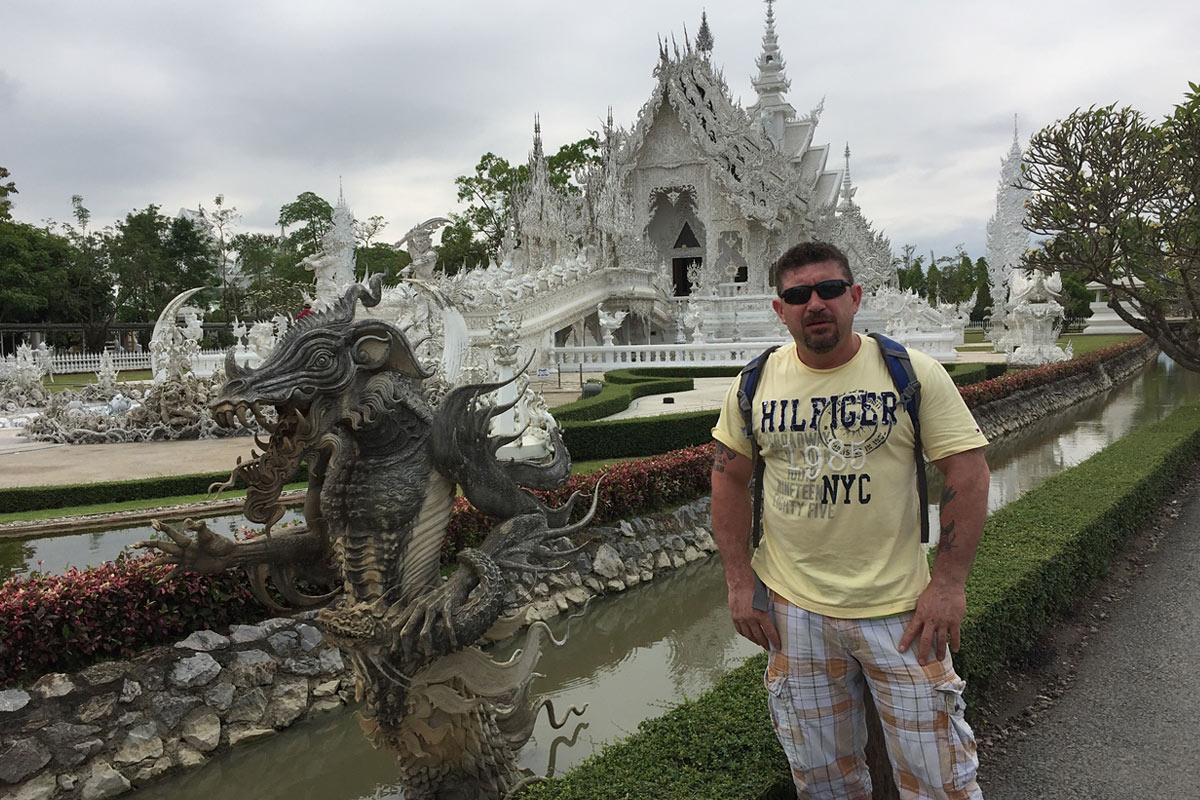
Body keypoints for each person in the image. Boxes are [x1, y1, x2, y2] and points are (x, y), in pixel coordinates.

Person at [710, 241, 990, 799]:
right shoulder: (754, 385)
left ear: (855, 297)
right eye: (797, 294)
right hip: (795, 614)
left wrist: (949, 583)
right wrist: (739, 581)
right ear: (779, 308)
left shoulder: (913, 374)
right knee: (823, 781)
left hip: (901, 612)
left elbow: (968, 473)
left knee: (940, 780)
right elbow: (728, 478)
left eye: (829, 290)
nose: (815, 303)